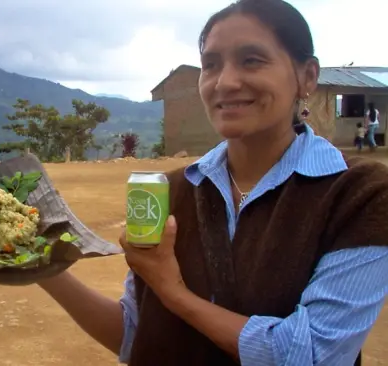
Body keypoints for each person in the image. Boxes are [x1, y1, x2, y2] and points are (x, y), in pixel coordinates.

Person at [36, 1, 388, 365]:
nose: (226, 82)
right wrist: (38, 266)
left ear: (307, 77)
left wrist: (175, 294)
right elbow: (135, 335)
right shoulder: (168, 191)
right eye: (211, 64)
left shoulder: (360, 195)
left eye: (252, 60)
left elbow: (313, 355)